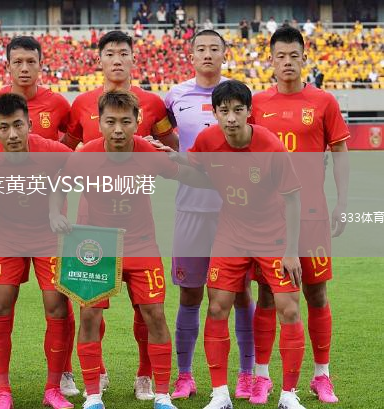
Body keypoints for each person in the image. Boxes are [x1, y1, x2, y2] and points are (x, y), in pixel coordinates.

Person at [50, 90, 211, 409]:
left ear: (137, 122)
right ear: (100, 123)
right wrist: (55, 213)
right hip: (96, 245)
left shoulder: (150, 152)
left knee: (154, 315)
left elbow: (193, 177)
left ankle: (161, 394)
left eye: (126, 121)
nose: (118, 129)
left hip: (141, 244)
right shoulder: (85, 155)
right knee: (89, 315)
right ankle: (93, 395)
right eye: (110, 122)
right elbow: (59, 185)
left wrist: (190, 163)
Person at [62, 31, 177, 400]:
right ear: (99, 59)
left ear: (132, 58)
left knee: (149, 312)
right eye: (109, 53)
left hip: (138, 226)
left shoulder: (153, 103)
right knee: (90, 312)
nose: (116, 59)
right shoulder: (80, 103)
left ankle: (148, 377)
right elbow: (64, 154)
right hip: (91, 230)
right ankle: (96, 378)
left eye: (123, 53)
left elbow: (173, 148)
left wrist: (162, 152)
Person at [185, 80, 306, 409]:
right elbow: (191, 169)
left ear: (249, 112)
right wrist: (165, 158)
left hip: (273, 235)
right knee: (216, 307)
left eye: (238, 110)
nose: (231, 118)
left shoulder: (270, 145)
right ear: (215, 113)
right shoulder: (207, 140)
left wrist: (291, 250)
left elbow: (293, 199)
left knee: (289, 309)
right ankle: (220, 394)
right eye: (224, 111)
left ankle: (288, 395)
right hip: (231, 234)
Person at [250, 26, 350, 405]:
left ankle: (321, 376)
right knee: (266, 293)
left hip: (312, 214)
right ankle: (261, 377)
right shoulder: (257, 103)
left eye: (294, 55)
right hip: (267, 217)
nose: (288, 62)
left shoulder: (324, 102)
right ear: (271, 61)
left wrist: (342, 202)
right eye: (281, 56)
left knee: (316, 293)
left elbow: (340, 154)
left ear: (305, 58)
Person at [0, 93, 75, 409]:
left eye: (18, 125)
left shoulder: (50, 150)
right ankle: (2, 390)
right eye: (4, 128)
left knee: (57, 305)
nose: (12, 134)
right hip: (6, 236)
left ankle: (53, 388)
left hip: (48, 235)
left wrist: (55, 205)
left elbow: (78, 164)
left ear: (29, 124)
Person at [164, 30, 255, 401]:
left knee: (241, 293)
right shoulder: (174, 96)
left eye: (214, 48)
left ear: (224, 53)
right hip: (190, 207)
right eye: (200, 48)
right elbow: (167, 139)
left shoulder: (240, 94)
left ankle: (247, 375)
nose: (207, 54)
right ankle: (185, 375)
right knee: (190, 294)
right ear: (191, 55)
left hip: (234, 211)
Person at [0, 36, 71, 142]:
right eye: (18, 62)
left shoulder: (57, 103)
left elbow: (74, 134)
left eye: (31, 62)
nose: (24, 69)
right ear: (8, 66)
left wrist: (58, 152)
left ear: (40, 65)